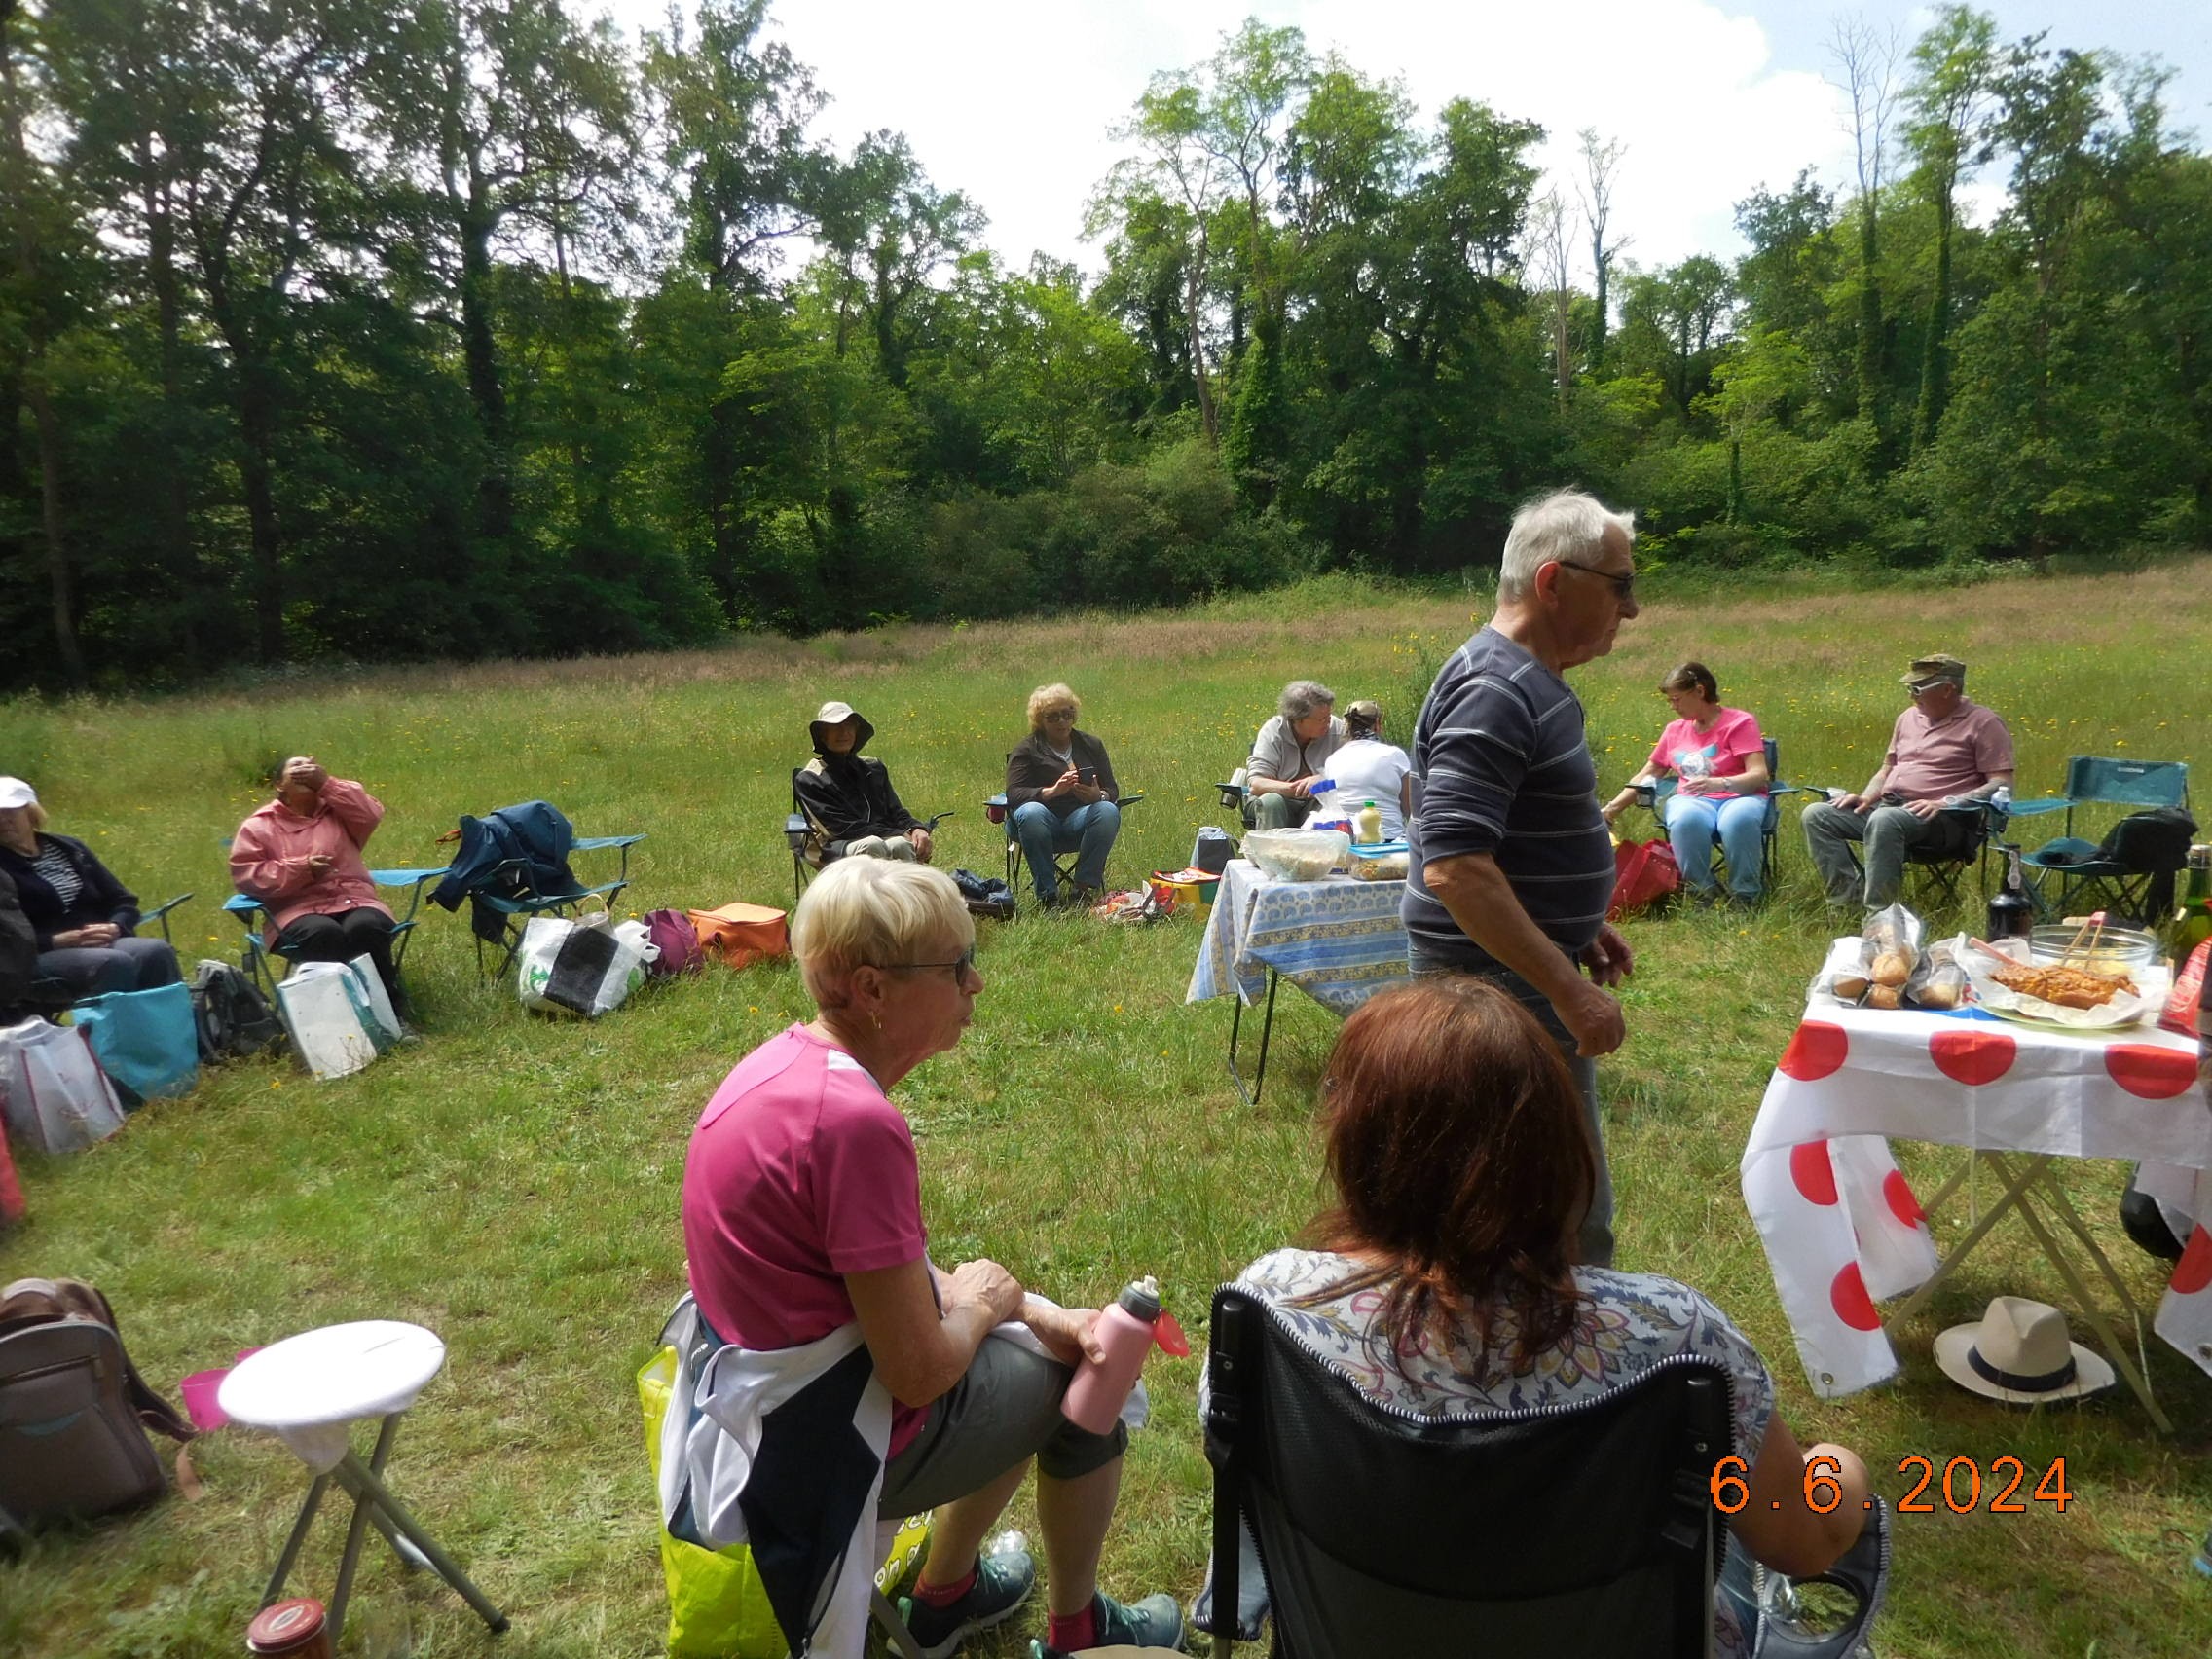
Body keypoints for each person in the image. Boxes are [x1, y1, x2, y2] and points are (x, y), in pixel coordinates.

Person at [1229, 975, 1880, 1659]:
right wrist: (1838, 1468)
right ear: (1556, 1147)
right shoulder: (1676, 1339)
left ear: (1360, 1146)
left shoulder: (1270, 1306)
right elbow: (1804, 1543)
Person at [679, 858, 1181, 1656]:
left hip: (766, 1421)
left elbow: (876, 1269)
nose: (976, 984)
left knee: (1032, 1344)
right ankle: (1074, 1629)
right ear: (872, 989)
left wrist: (1025, 1308)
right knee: (1090, 1377)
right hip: (826, 1449)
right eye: (957, 967)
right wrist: (986, 1307)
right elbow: (918, 1372)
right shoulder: (853, 1125)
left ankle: (947, 1594)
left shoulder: (784, 1071)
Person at [1403, 487, 1638, 1267]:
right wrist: (1567, 987)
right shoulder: (1496, 689)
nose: (1631, 610)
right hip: (1495, 989)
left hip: (1511, 969)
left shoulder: (1523, 679)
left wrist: (1575, 922)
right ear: (1552, 581)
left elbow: (1495, 849)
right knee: (1557, 1218)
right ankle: (1560, 1377)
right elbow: (1457, 868)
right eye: (1620, 585)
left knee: (1538, 1206)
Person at [1800, 653, 2013, 910]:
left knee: (1885, 820)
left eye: (1917, 689)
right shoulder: (1908, 718)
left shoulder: (1984, 723)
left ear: (1948, 690)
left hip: (1946, 820)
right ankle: (1846, 904)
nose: (1912, 696)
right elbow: (1888, 767)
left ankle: (1880, 916)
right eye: (1909, 689)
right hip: (1890, 808)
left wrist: (1947, 802)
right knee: (1817, 815)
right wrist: (1867, 797)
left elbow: (2002, 784)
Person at [229, 756, 405, 1013]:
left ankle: (390, 1013)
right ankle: (336, 1015)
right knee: (324, 933)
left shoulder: (339, 811)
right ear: (279, 783)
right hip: (295, 910)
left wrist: (327, 784)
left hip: (354, 899)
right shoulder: (259, 826)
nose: (303, 770)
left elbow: (371, 814)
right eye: (295, 767)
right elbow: (247, 875)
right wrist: (302, 869)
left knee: (366, 926)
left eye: (309, 766)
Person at [1600, 662, 1770, 907]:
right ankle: (1703, 893)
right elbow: (1649, 773)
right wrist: (1611, 810)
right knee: (1684, 819)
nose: (1673, 706)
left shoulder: (1740, 723)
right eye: (1670, 701)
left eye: (1677, 699)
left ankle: (1746, 896)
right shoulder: (1674, 731)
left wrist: (1720, 782)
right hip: (1692, 799)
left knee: (1737, 820)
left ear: (1700, 691)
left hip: (1740, 796)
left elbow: (1759, 774)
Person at [0, 776, 181, 999]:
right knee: (112, 963)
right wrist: (57, 940)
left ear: (30, 813)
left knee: (155, 952)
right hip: (35, 955)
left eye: (10, 811)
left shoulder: (69, 848)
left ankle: (171, 1029)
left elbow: (122, 900)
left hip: (101, 940)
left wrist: (116, 926)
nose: (3, 820)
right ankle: (112, 1032)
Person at [1005, 683, 1123, 909]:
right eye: (1053, 716)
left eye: (1067, 714)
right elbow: (1014, 793)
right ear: (1040, 719)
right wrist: (1050, 792)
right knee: (1032, 812)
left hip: (1078, 819)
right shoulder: (1027, 749)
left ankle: (1082, 891)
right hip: (1036, 824)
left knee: (1108, 809)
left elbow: (1112, 790)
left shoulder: (1091, 745)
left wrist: (1099, 795)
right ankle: (1048, 897)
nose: (1062, 721)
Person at [794, 700, 934, 864]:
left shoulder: (874, 768)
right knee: (873, 845)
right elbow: (842, 828)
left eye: (849, 726)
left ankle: (912, 890)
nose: (844, 733)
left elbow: (896, 811)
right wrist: (899, 833)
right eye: (835, 727)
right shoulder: (811, 778)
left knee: (901, 845)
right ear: (823, 736)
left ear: (856, 732)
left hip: (884, 838)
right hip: (835, 845)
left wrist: (916, 828)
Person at [1242, 681, 1346, 830]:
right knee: (1271, 802)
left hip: (1315, 801)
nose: (1328, 722)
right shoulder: (1273, 732)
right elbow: (1256, 784)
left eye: (1329, 716)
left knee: (1331, 801)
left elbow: (1352, 774)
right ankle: (1272, 852)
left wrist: (1323, 779)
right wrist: (1294, 788)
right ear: (1298, 719)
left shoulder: (1337, 729)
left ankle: (1321, 852)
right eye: (1322, 719)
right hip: (1278, 802)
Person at [1315, 700, 1413, 841]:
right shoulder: (1395, 755)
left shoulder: (1333, 760)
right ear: (1378, 724)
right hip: (1390, 839)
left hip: (1348, 841)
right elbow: (1410, 809)